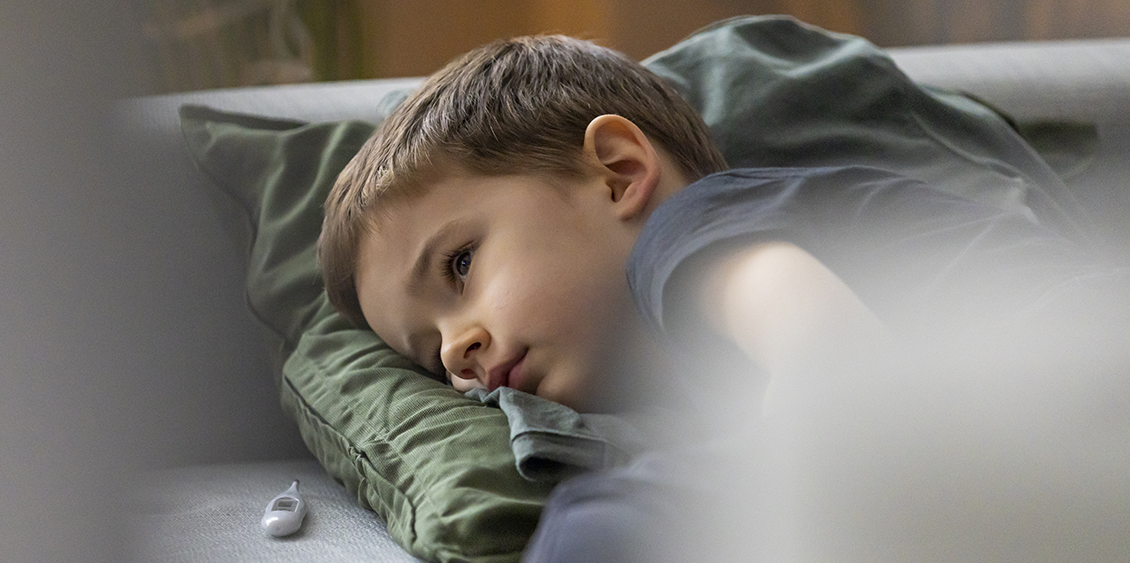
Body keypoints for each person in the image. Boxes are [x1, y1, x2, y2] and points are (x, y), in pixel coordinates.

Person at [320, 33, 1129, 561]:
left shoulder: (691, 232)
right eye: (431, 353)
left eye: (460, 265)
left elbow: (833, 363)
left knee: (597, 531)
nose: (458, 350)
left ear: (617, 174)